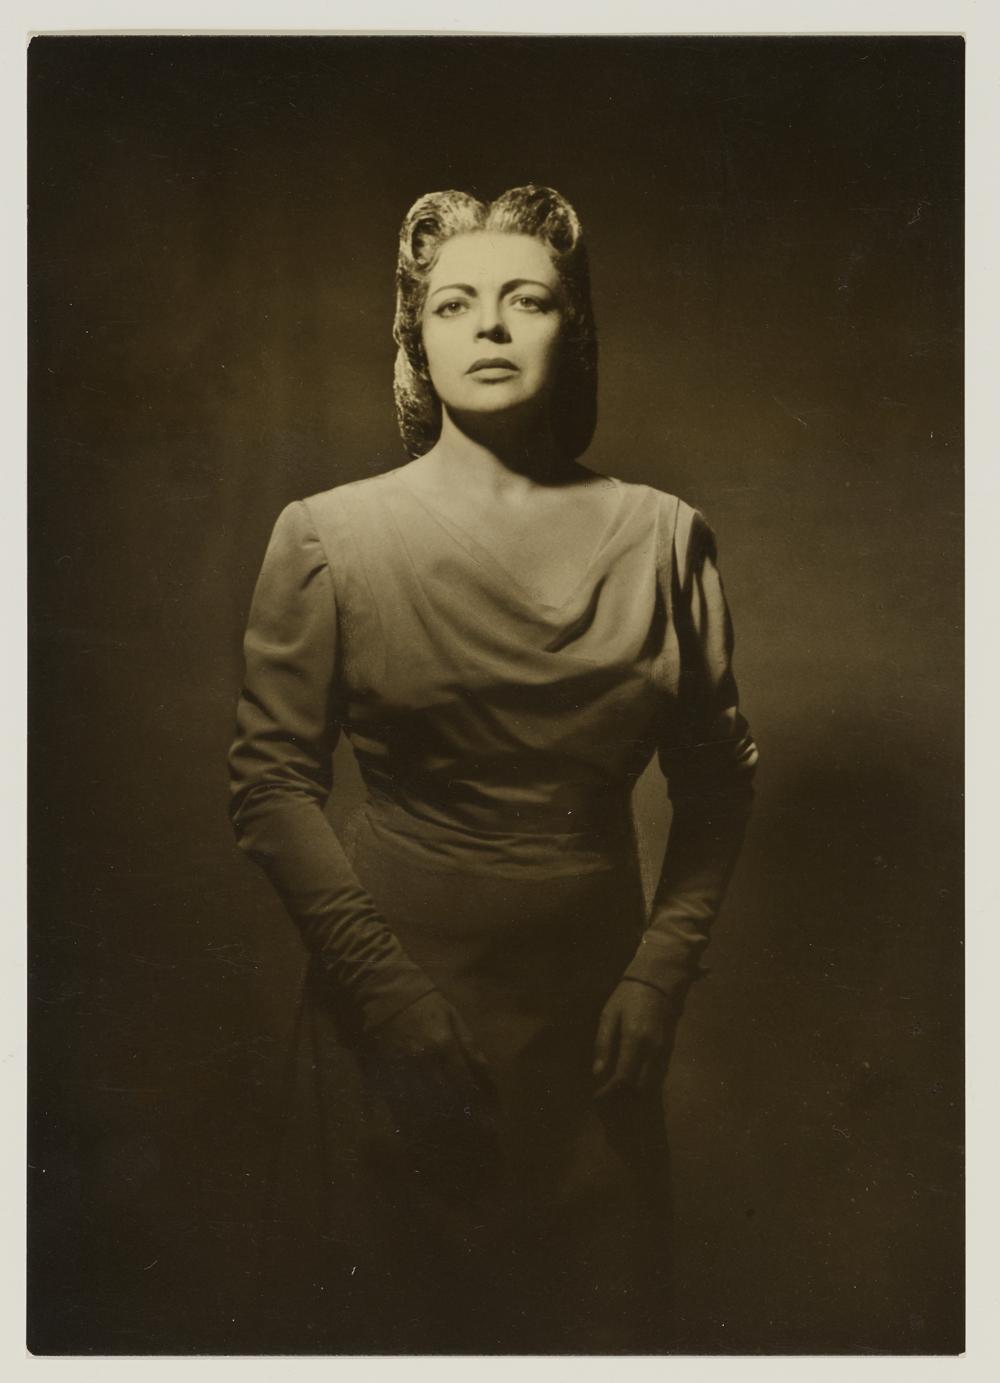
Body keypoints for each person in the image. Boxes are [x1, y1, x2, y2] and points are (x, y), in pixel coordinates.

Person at [227, 184, 758, 1353]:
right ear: (414, 336)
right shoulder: (329, 537)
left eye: (529, 300)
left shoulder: (664, 538)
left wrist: (658, 977)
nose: (492, 326)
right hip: (399, 1011)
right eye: (455, 304)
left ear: (576, 329)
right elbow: (269, 786)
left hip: (596, 1019)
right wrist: (387, 995)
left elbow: (717, 785)